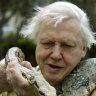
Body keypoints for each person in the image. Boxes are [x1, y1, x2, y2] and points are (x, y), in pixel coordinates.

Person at [0, 1, 96, 96]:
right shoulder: (11, 82)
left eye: (67, 45)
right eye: (47, 43)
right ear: (37, 43)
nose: (55, 55)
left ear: (83, 49)